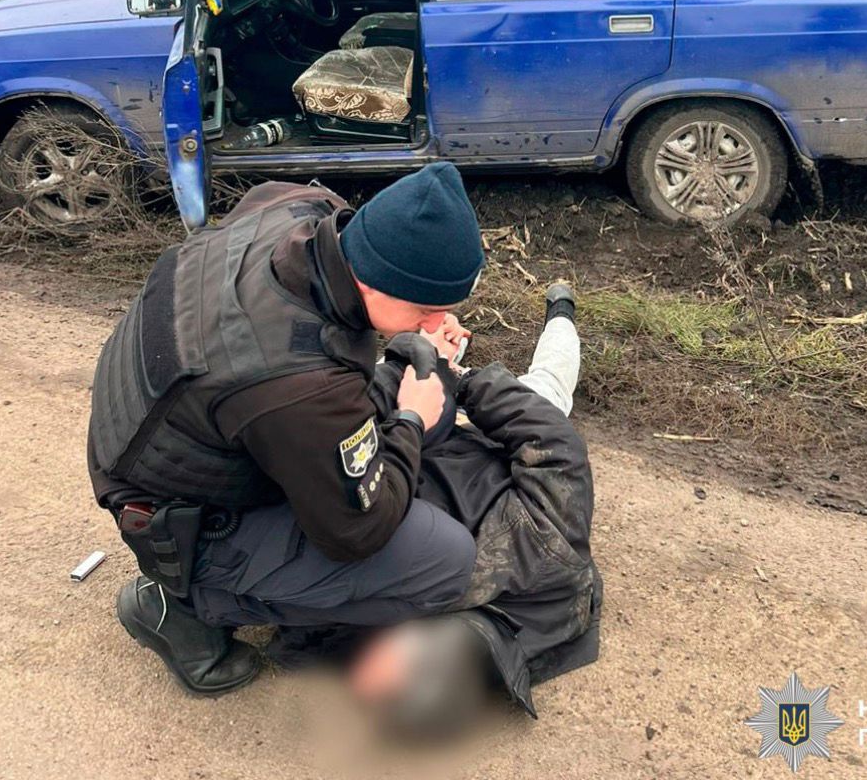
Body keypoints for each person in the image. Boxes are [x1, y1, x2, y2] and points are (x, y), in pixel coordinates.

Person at [87, 163, 486, 696]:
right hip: (178, 516)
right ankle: (185, 607)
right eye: (428, 310)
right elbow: (357, 533)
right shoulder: (299, 385)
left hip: (167, 428)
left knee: (410, 397)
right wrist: (411, 419)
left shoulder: (297, 208)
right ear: (375, 279)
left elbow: (320, 377)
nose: (438, 324)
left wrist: (414, 351)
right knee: (444, 561)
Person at [273, 285, 600, 734]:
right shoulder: (546, 549)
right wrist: (457, 376)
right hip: (484, 448)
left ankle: (445, 340)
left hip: (423, 445)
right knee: (548, 387)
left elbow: (355, 421)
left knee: (525, 390)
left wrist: (427, 364)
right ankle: (561, 309)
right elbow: (553, 442)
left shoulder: (362, 625)